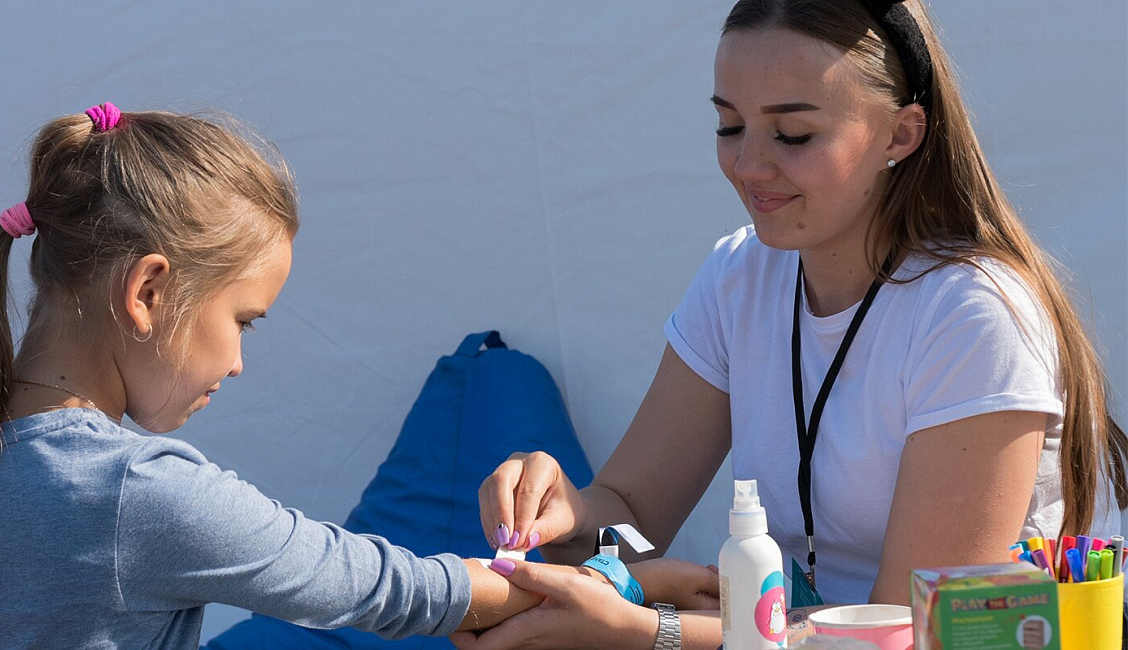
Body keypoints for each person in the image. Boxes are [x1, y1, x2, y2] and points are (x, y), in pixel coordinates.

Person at [0, 103, 719, 649]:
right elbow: (390, 587)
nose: (240, 361)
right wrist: (628, 591)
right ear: (147, 291)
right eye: (241, 321)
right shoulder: (140, 493)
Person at [457, 1, 1128, 648]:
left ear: (900, 134)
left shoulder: (974, 317)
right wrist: (568, 510)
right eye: (728, 125)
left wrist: (651, 628)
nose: (748, 165)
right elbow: (632, 516)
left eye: (793, 134)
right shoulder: (738, 277)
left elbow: (903, 631)